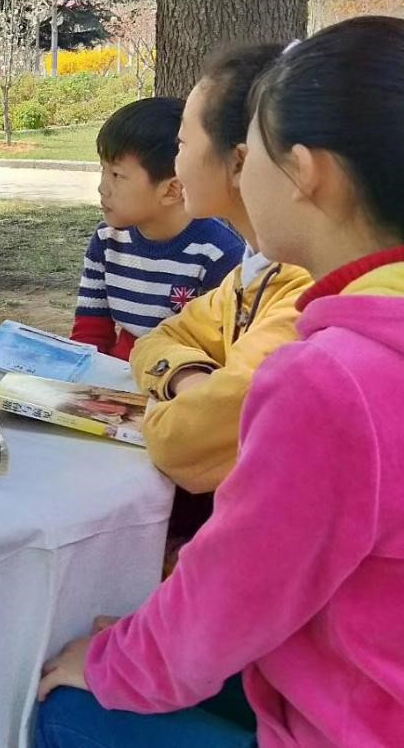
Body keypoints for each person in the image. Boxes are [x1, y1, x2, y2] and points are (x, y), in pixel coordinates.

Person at [36, 16, 404, 747]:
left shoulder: (335, 377)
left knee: (59, 709)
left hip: (370, 723)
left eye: (251, 147)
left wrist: (112, 661)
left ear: (306, 172)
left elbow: (231, 596)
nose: (237, 164)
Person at [130, 47, 311, 527]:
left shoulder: (311, 299)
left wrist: (186, 403)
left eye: (183, 145)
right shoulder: (254, 273)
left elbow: (180, 441)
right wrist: (192, 381)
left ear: (239, 162)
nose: (176, 163)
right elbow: (158, 339)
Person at [70, 97, 242, 359]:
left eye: (117, 175)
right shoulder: (106, 241)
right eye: (102, 170)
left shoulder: (219, 256)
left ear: (172, 189)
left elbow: (218, 353)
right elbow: (89, 335)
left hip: (181, 384)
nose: (103, 187)